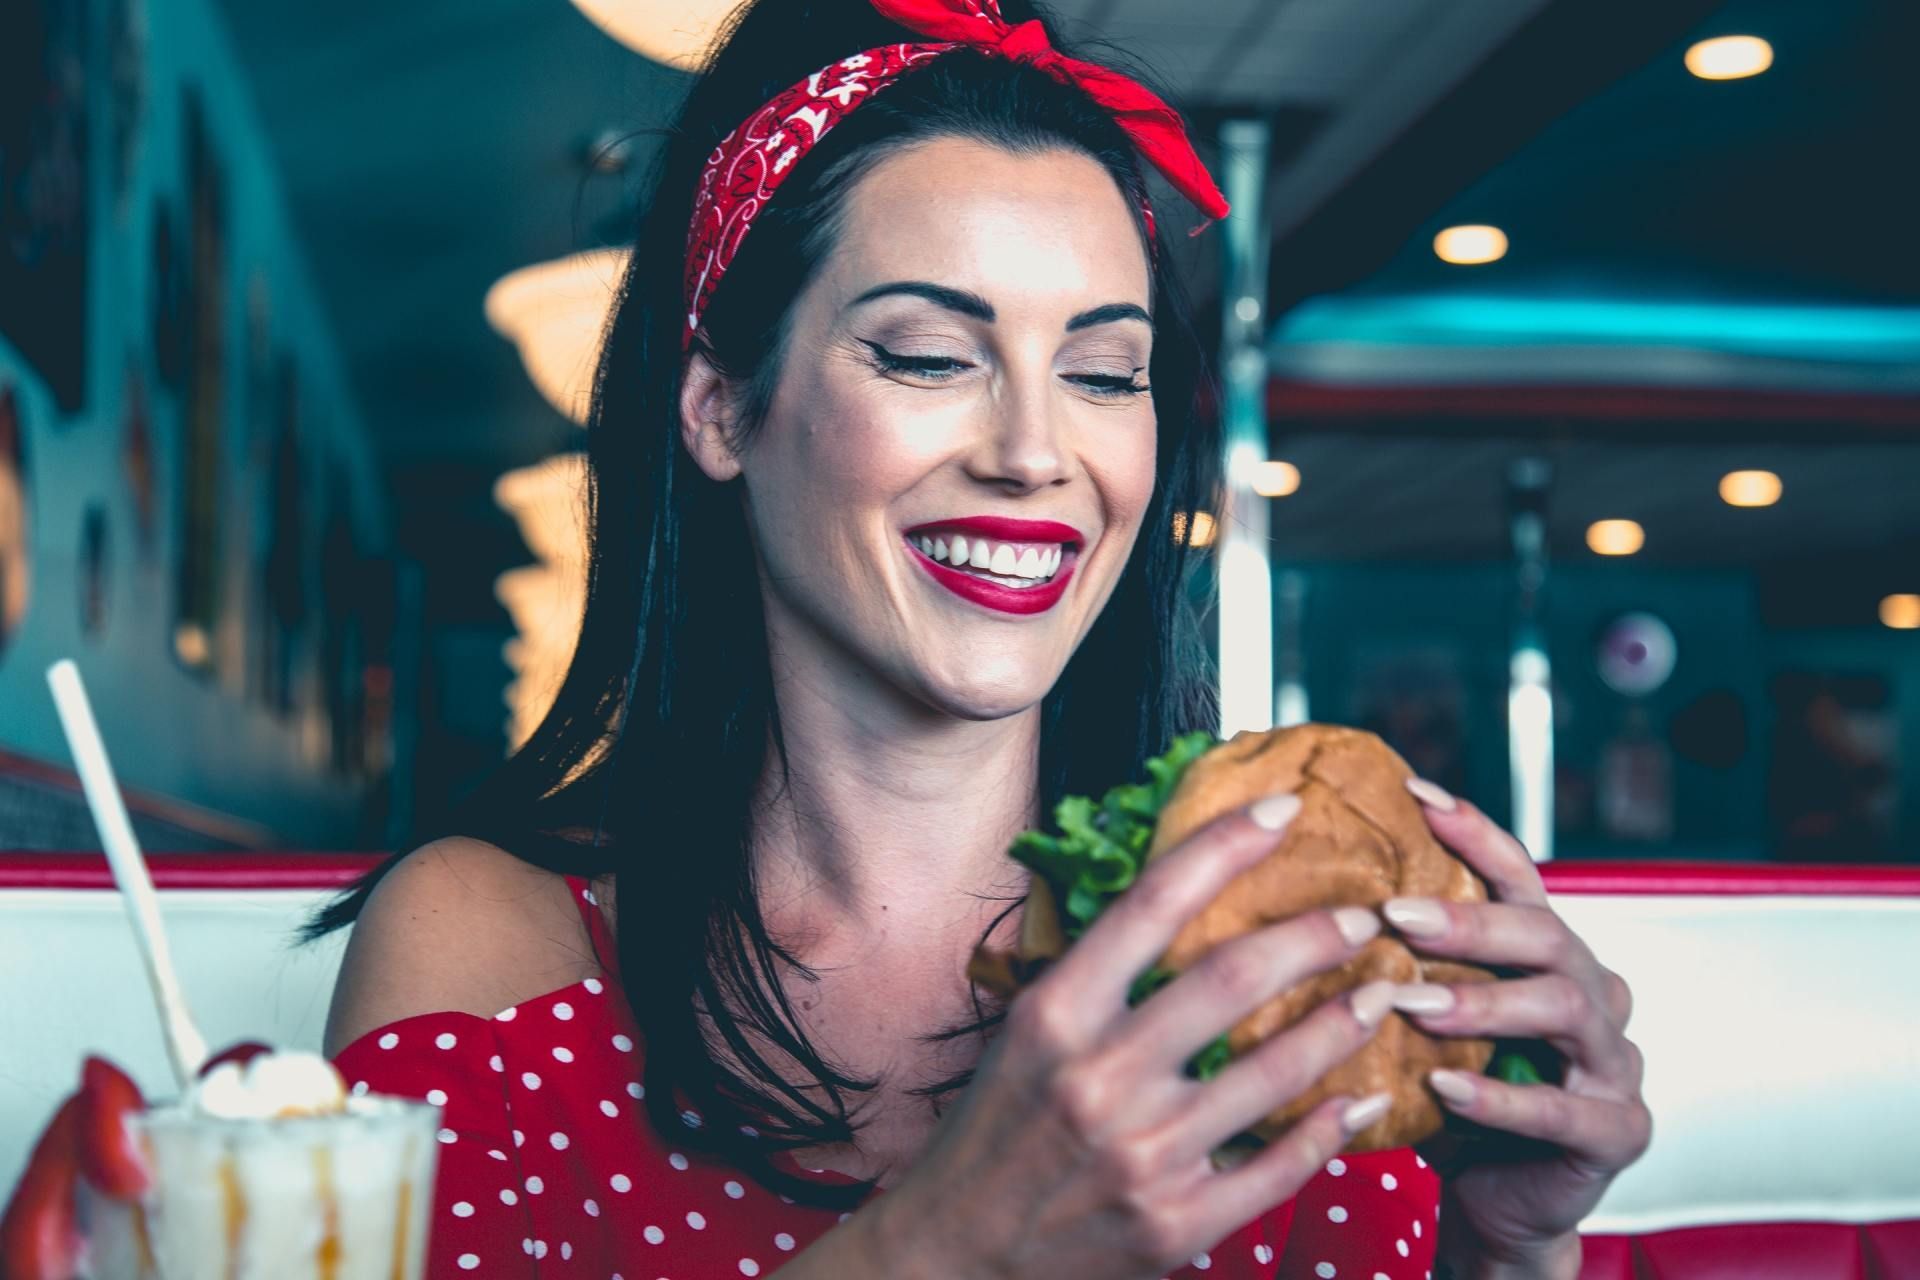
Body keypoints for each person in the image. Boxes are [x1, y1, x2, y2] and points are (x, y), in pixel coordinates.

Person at [309, 1, 1654, 1277]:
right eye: (928, 355)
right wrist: (951, 1237)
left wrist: (1506, 1249)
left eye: (1102, 373)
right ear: (722, 409)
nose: (1032, 453)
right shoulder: (491, 948)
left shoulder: (1289, 940)